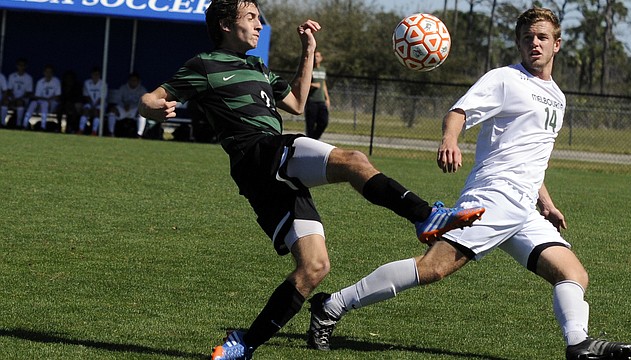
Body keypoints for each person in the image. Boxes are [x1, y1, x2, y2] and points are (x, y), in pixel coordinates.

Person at [137, 1, 484, 359]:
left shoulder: (257, 66)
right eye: (252, 18)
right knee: (353, 160)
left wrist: (308, 51)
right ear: (225, 25)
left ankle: (243, 344)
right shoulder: (203, 65)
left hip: (265, 177)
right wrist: (155, 108)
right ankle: (424, 215)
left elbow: (299, 103)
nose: (259, 24)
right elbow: (149, 99)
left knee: (314, 267)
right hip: (258, 152)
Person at [306, 7, 631, 360]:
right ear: (518, 43)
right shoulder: (505, 79)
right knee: (432, 268)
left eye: (542, 37)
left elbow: (531, 154)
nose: (534, 44)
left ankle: (578, 344)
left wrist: (547, 203)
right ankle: (331, 306)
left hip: (524, 208)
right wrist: (450, 139)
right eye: (527, 38)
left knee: (573, 273)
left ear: (557, 44)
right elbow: (458, 112)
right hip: (492, 198)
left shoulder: (558, 96)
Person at [22, 64, 61, 131]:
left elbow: (58, 96)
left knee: (45, 104)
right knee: (33, 103)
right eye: (46, 72)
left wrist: (48, 100)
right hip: (42, 102)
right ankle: (24, 125)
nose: (48, 74)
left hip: (52, 103)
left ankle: (43, 126)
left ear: (52, 73)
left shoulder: (56, 81)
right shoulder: (40, 82)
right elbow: (37, 96)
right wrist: (45, 100)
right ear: (44, 72)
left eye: (50, 72)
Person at [109, 72, 147, 137]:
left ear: (138, 81)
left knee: (142, 113)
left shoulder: (142, 90)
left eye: (135, 80)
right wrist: (124, 105)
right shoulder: (123, 88)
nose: (133, 82)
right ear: (128, 80)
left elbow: (144, 102)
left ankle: (139, 134)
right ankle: (111, 132)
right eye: (131, 80)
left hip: (134, 109)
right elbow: (118, 100)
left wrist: (133, 106)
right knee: (112, 111)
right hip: (123, 108)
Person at [78, 67, 111, 135]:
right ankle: (81, 129)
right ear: (91, 75)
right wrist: (92, 104)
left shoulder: (103, 84)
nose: (95, 76)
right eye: (94, 74)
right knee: (85, 110)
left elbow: (102, 98)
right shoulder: (87, 83)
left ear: (99, 75)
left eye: (97, 74)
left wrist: (95, 105)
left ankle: (94, 131)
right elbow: (86, 95)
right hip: (90, 103)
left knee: (97, 112)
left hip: (100, 104)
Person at [304, 51, 330, 139]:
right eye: (315, 56)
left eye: (318, 56)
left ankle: (314, 139)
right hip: (312, 101)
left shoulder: (323, 70)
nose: (316, 58)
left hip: (321, 101)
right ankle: (310, 142)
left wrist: (327, 98)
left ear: (321, 58)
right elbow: (304, 84)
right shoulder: (309, 69)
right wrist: (313, 85)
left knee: (324, 121)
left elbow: (324, 84)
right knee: (310, 125)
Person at [4, 58, 34, 128]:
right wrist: (13, 97)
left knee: (20, 103)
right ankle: (2, 123)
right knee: (4, 102)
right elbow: (9, 90)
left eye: (23, 65)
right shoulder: (12, 76)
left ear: (25, 66)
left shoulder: (28, 78)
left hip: (23, 99)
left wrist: (19, 98)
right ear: (17, 66)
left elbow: (28, 93)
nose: (21, 67)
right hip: (13, 97)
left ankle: (19, 125)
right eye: (19, 65)